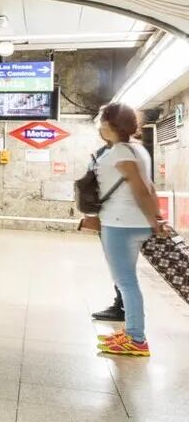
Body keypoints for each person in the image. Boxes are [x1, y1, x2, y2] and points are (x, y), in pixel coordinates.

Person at [88, 103, 172, 356]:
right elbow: (151, 187)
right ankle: (132, 333)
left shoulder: (120, 152)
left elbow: (141, 188)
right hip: (129, 221)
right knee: (127, 281)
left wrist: (155, 220)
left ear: (108, 125)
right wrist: (154, 217)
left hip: (120, 223)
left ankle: (136, 339)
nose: (99, 126)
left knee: (126, 282)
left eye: (102, 121)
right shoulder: (138, 150)